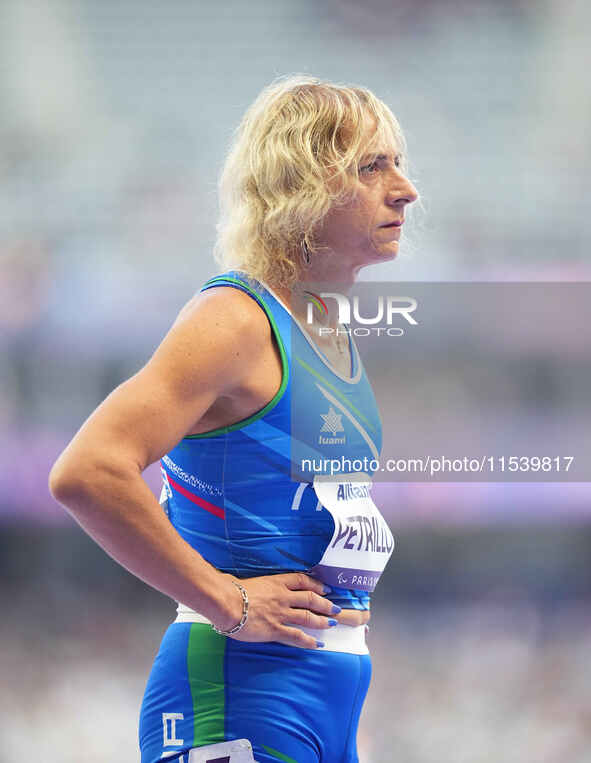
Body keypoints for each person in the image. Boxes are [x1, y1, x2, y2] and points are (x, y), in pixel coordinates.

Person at [49, 74, 418, 763]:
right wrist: (228, 600)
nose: (405, 188)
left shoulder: (327, 331)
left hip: (324, 693)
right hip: (235, 691)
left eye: (399, 163)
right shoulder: (235, 319)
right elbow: (88, 471)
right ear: (301, 181)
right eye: (373, 166)